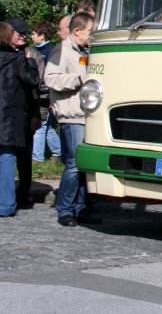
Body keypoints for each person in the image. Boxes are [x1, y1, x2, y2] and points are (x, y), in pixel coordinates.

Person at [45, 12, 99, 226]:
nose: (92, 36)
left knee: (87, 165)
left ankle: (82, 208)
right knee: (74, 165)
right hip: (72, 116)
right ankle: (65, 210)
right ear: (77, 31)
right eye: (90, 32)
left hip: (89, 115)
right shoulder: (61, 51)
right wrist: (79, 79)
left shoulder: (88, 50)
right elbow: (50, 78)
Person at [0, 21, 41, 218]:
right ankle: (6, 204)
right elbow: (32, 81)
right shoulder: (18, 59)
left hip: (7, 115)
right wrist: (31, 62)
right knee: (7, 158)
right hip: (9, 116)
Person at [30, 21, 60, 163]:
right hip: (45, 95)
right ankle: (58, 152)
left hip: (46, 95)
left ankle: (37, 157)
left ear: (42, 36)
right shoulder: (40, 52)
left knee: (40, 126)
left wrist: (49, 97)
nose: (31, 36)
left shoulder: (48, 53)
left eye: (34, 34)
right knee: (48, 126)